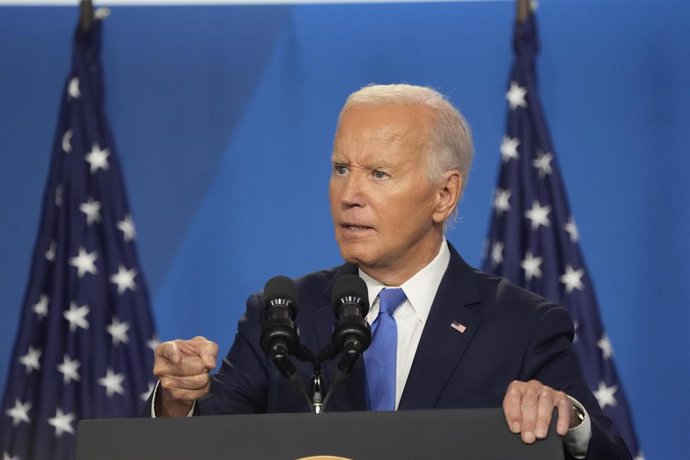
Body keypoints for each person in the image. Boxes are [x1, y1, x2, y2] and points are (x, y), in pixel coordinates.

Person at [148, 84, 631, 459]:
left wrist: (570, 416)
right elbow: (205, 445)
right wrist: (177, 401)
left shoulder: (523, 326)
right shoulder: (281, 315)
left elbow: (609, 453)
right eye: (340, 168)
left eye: (378, 174)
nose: (349, 193)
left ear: (444, 195)